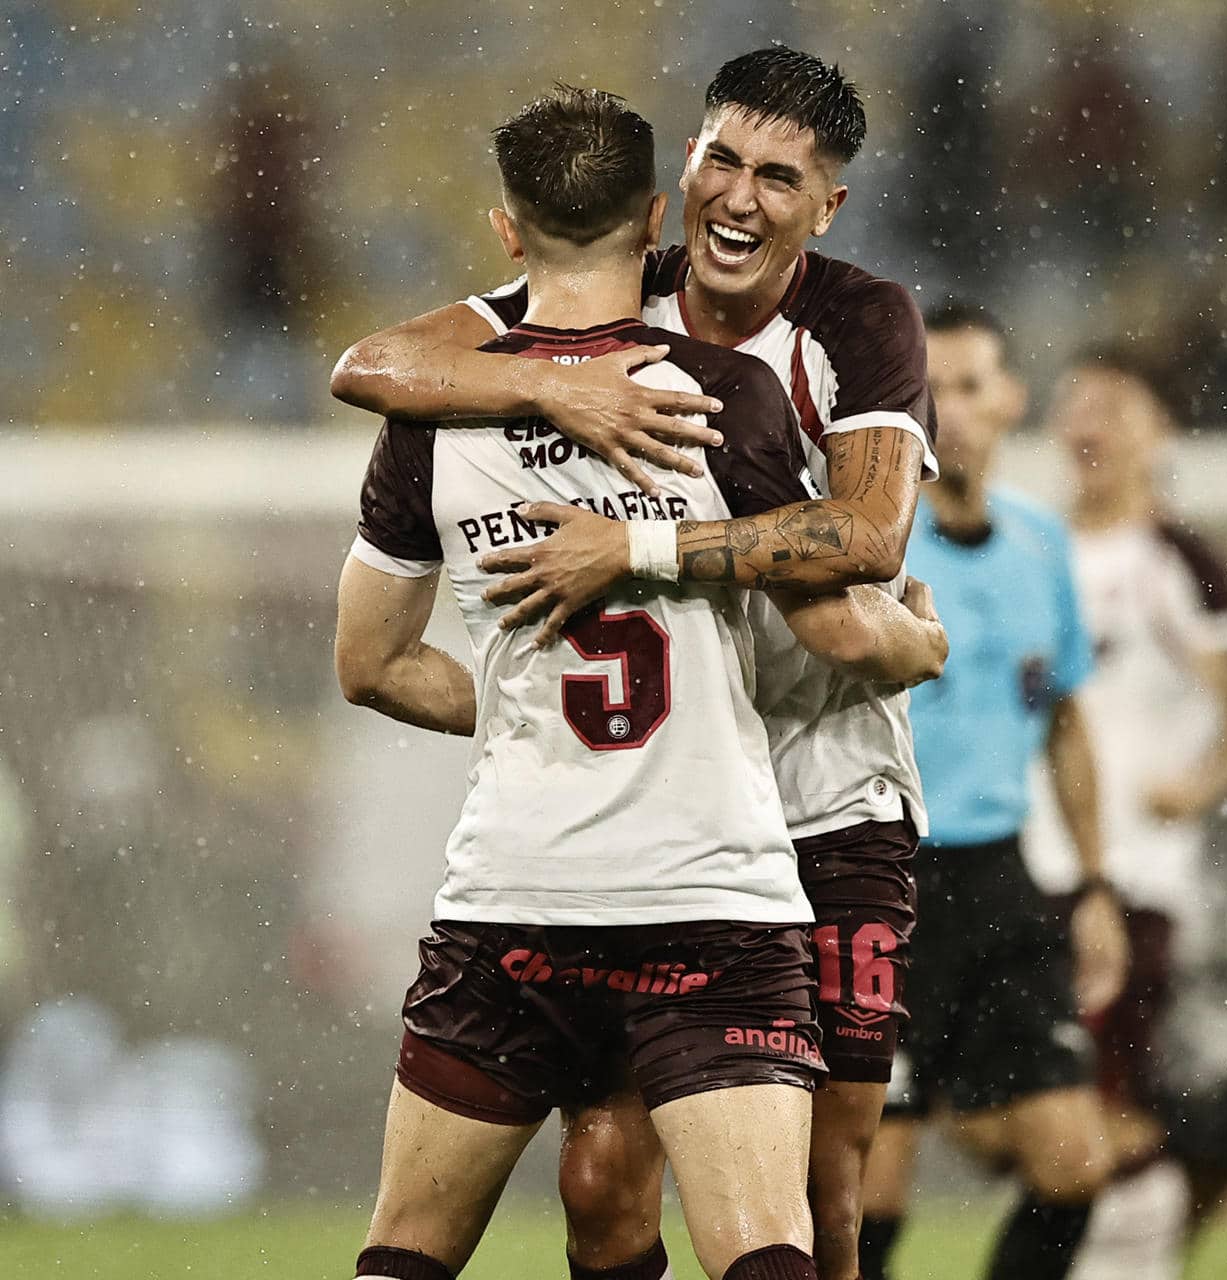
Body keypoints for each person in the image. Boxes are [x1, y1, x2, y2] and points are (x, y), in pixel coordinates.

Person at [330, 50, 936, 1280]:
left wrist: (638, 545)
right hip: (682, 828)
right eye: (723, 159)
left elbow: (869, 539)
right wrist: (561, 398)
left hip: (820, 785)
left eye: (780, 176)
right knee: (607, 1185)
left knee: (829, 1186)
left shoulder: (859, 321)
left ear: (826, 206)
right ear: (674, 190)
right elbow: (370, 363)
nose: (743, 196)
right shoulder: (681, 360)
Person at [856, 301, 1127, 1280]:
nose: (951, 411)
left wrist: (1093, 882)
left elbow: (1063, 719)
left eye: (971, 386)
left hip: (999, 878)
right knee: (868, 1191)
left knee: (1074, 1161)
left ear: (1011, 400)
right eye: (930, 391)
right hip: (876, 871)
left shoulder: (1042, 544)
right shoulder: (871, 538)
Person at [1018, 341, 1227, 1262]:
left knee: (1105, 1098)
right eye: (1077, 404)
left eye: (1115, 407)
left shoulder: (1182, 561)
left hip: (1130, 878)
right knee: (1016, 1109)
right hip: (1020, 865)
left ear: (1160, 432)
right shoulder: (1026, 543)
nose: (1089, 425)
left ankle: (1129, 1255)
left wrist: (1197, 783)